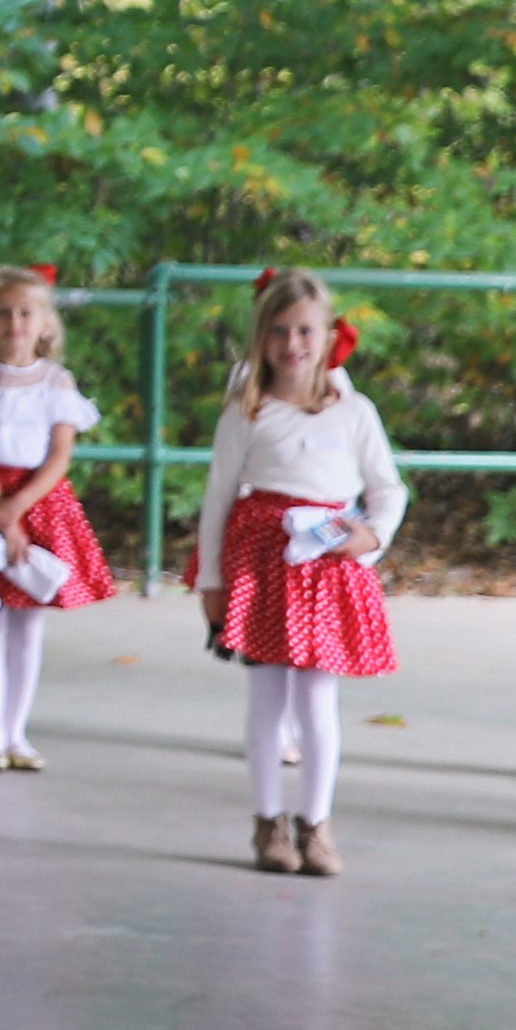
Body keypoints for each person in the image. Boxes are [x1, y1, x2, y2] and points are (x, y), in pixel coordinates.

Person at [197, 269, 405, 880]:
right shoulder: (248, 409)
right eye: (280, 331)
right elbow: (218, 496)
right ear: (262, 338)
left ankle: (316, 823)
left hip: (329, 564)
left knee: (317, 698)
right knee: (267, 697)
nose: (293, 344)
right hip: (263, 564)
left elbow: (388, 488)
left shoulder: (355, 412)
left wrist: (371, 536)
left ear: (329, 335)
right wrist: (212, 580)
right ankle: (269, 822)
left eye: (306, 331)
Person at [0, 263, 114, 774]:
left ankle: (18, 732)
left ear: (45, 323)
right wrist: (0, 513)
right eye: (3, 312)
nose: (14, 322)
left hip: (39, 501)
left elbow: (59, 458)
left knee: (28, 624)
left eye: (25, 313)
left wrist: (18, 509)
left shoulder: (57, 383)